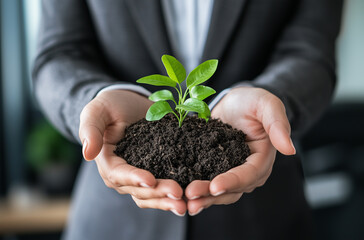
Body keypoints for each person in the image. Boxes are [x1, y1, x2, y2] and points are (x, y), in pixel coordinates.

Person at [32, 0, 342, 239]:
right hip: (115, 222)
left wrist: (272, 97)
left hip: (261, 219)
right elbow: (59, 53)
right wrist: (97, 99)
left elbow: (310, 52)